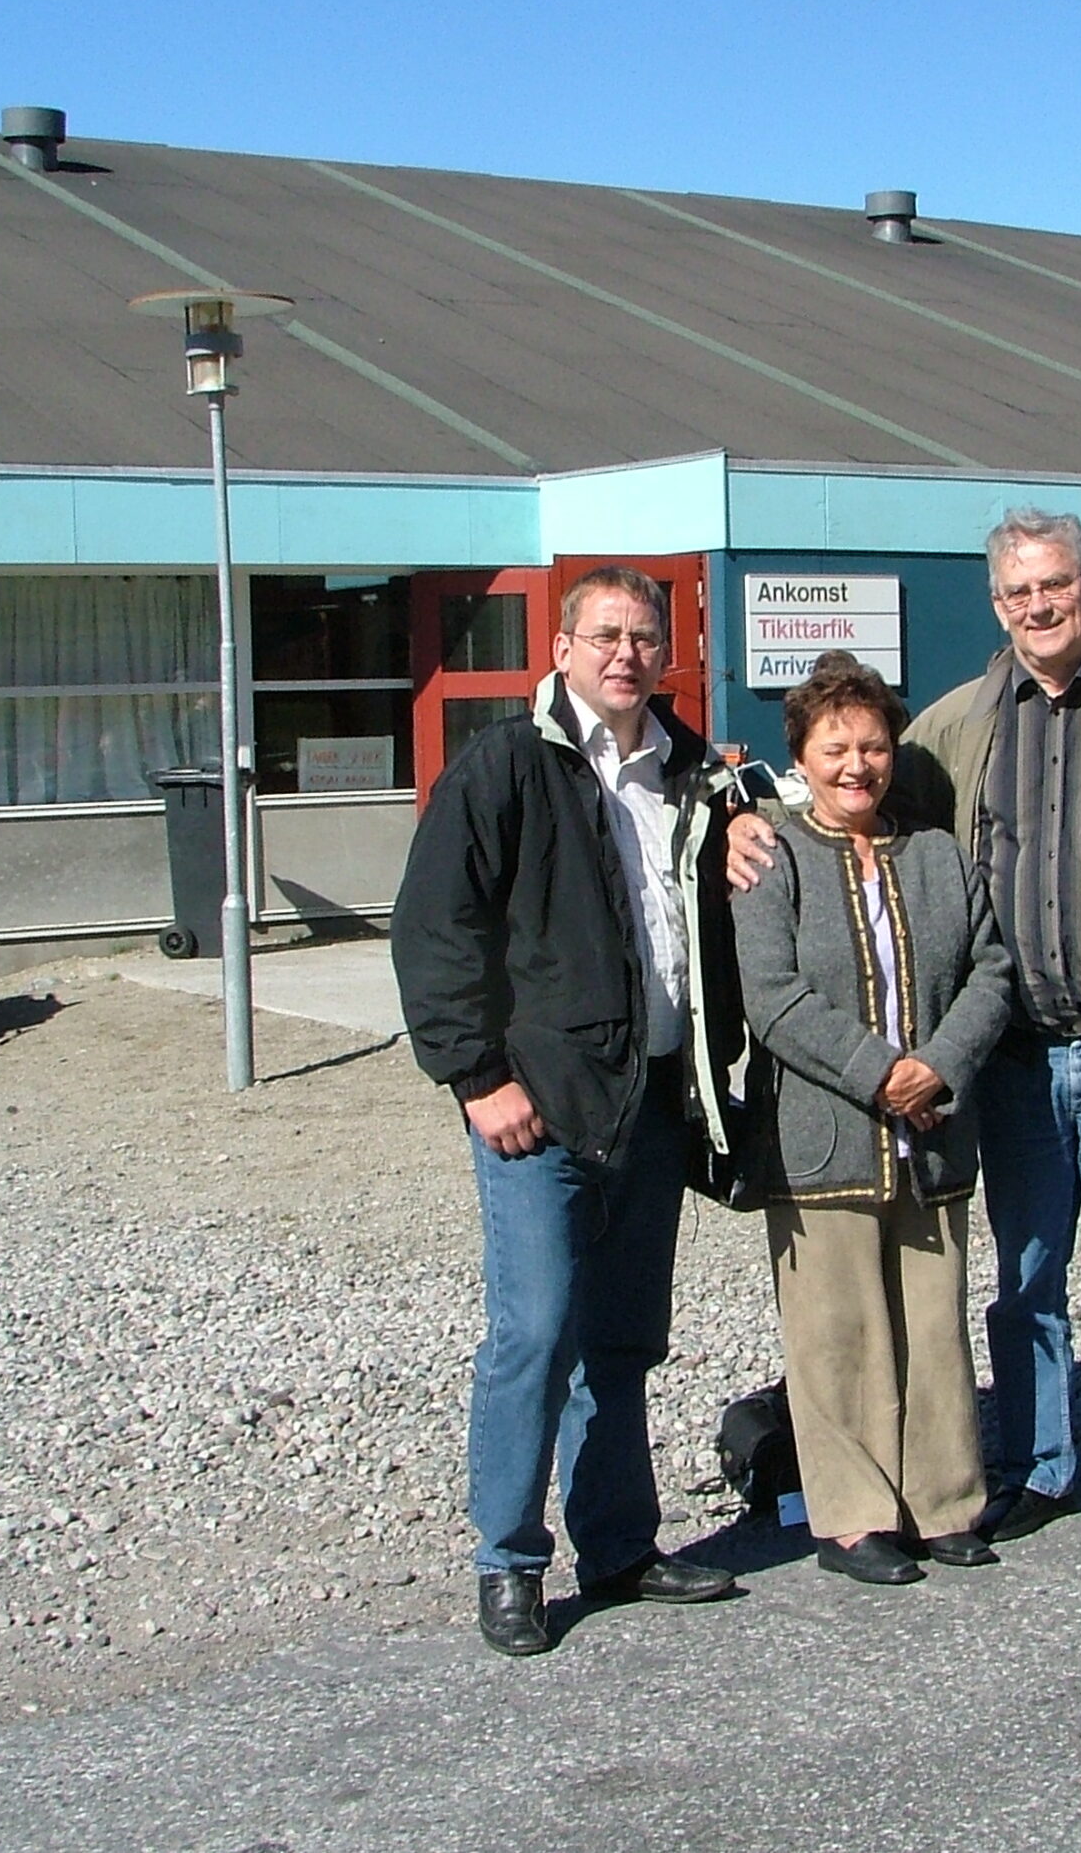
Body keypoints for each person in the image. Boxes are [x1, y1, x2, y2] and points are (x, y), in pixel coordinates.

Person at [735, 510, 1081, 1546]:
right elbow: (848, 798)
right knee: (1024, 1277)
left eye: (1055, 584)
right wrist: (746, 817)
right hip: (1010, 1059)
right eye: (1019, 591)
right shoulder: (950, 729)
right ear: (996, 603)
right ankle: (1038, 1463)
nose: (1039, 605)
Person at [391, 566, 747, 1658]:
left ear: (665, 652)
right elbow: (434, 928)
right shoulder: (506, 765)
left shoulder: (693, 771)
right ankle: (508, 1560)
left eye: (643, 636)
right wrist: (476, 1077)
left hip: (653, 1099)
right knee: (536, 1334)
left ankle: (619, 1546)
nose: (625, 654)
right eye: (605, 635)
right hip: (535, 1109)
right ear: (561, 648)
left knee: (621, 1341)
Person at [732, 652, 1015, 1585]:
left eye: (874, 745)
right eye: (836, 747)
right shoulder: (772, 857)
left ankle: (944, 1501)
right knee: (838, 1335)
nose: (858, 764)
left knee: (934, 1326)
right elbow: (772, 997)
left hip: (931, 1135)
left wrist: (939, 1065)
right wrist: (880, 1071)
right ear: (801, 758)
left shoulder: (936, 853)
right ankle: (854, 1517)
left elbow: (991, 970)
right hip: (822, 1143)